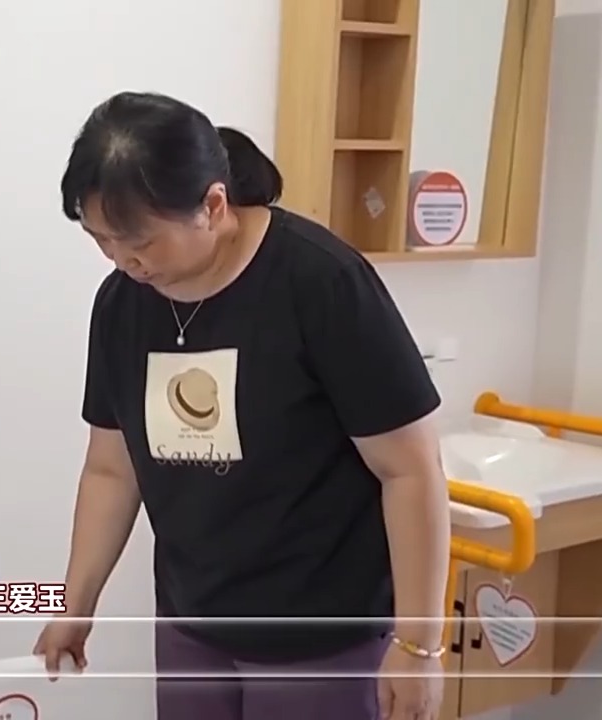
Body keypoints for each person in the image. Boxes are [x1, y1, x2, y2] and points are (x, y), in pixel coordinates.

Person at [33, 92, 451, 720]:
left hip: (322, 638)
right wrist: (76, 603)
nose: (122, 260)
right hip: (192, 625)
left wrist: (419, 646)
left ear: (212, 205)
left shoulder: (320, 282)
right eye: (101, 239)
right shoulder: (122, 305)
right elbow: (112, 469)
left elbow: (411, 471)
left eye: (139, 240)